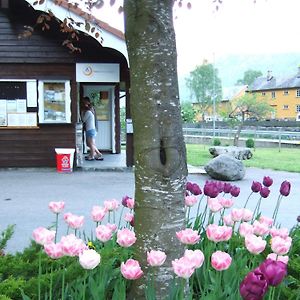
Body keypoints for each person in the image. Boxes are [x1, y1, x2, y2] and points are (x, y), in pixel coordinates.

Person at [80, 96, 103, 161]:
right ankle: (97, 154)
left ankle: (92, 156)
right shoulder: (91, 111)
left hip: (90, 130)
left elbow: (83, 120)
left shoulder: (88, 112)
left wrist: (82, 113)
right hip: (90, 130)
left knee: (91, 144)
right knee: (90, 144)